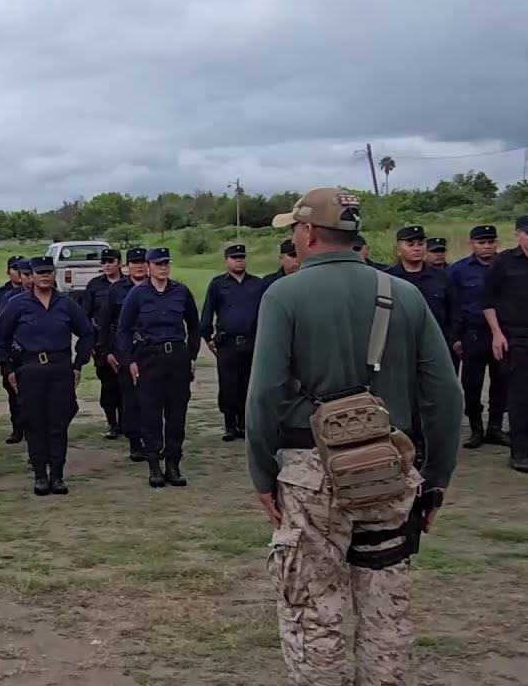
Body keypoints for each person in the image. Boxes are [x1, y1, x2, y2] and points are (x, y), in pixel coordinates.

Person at [248, 187, 462, 684]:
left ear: (305, 232)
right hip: (389, 471)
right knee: (385, 611)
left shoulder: (284, 294)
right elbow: (445, 395)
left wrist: (262, 472)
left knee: (313, 610)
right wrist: (436, 477)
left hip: (311, 474)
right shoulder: (404, 294)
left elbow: (263, 397)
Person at [0, 255, 93, 496]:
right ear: (33, 275)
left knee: (58, 423)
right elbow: (0, 338)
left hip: (60, 369)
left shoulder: (66, 304)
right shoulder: (17, 304)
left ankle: (57, 476)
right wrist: (8, 369)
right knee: (33, 422)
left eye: (49, 271)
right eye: (40, 272)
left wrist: (79, 364)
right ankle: (40, 475)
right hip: (29, 370)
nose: (45, 276)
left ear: (53, 274)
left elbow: (87, 333)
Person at [116, 247, 200, 488]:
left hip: (177, 358)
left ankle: (173, 464)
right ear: (149, 266)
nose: (163, 267)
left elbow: (194, 325)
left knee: (176, 414)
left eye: (166, 263)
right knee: (150, 414)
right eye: (158, 263)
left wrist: (192, 356)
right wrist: (130, 361)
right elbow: (123, 330)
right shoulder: (137, 294)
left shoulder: (181, 292)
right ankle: (153, 465)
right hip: (148, 358)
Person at [387, 226, 462, 436]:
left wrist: (452, 340)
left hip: (437, 348)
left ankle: (436, 441)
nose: (417, 248)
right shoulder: (386, 279)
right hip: (400, 349)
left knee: (438, 397)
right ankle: (409, 440)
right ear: (398, 249)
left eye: (420, 244)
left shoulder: (442, 277)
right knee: (405, 399)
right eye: (410, 244)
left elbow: (454, 311)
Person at [481, 214, 528, 473]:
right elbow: (487, 300)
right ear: (518, 235)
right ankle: (520, 452)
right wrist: (497, 334)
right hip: (516, 337)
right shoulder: (504, 262)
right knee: (521, 396)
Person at [449, 225, 508, 449]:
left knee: (501, 382)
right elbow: (452, 305)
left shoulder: (505, 266)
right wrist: (456, 337)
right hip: (472, 333)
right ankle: (476, 429)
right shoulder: (458, 270)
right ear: (472, 244)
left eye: (491, 242)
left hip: (502, 332)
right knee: (472, 384)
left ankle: (495, 428)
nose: (487, 246)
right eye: (482, 242)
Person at [201, 244, 263, 442]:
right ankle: (229, 425)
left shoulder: (257, 284)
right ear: (226, 260)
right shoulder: (218, 284)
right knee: (228, 385)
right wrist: (207, 336)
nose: (239, 260)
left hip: (251, 342)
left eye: (242, 257)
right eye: (234, 257)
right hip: (227, 343)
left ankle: (244, 423)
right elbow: (208, 310)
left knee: (248, 384)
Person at [97, 247, 150, 462]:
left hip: (152, 351)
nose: (139, 266)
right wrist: (107, 351)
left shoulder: (158, 288)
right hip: (125, 351)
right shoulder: (117, 290)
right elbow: (105, 323)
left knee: (152, 399)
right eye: (134, 262)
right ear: (127, 266)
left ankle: (152, 439)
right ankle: (135, 442)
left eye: (142, 262)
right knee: (130, 399)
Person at [86, 249, 124, 438]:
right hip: (102, 341)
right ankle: (112, 424)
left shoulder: (129, 284)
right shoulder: (94, 286)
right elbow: (86, 316)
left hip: (124, 341)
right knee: (108, 386)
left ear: (120, 262)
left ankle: (127, 423)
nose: (107, 265)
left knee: (126, 385)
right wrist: (92, 343)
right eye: (104, 262)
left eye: (111, 261)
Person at [0, 256, 26, 444]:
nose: (18, 272)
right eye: (14, 269)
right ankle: (17, 428)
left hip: (29, 351)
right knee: (13, 391)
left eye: (22, 269)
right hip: (9, 350)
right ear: (8, 271)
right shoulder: (1, 294)